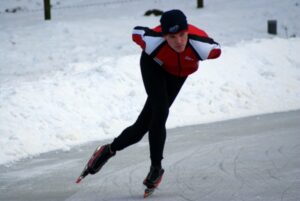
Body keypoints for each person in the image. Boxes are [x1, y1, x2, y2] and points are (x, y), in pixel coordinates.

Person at [78, 9, 221, 190]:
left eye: (182, 35)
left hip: (178, 74)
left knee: (141, 128)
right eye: (172, 37)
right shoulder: (153, 40)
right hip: (154, 65)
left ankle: (108, 150)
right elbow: (136, 32)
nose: (179, 41)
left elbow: (217, 48)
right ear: (163, 36)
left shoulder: (202, 46)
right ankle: (156, 168)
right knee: (161, 110)